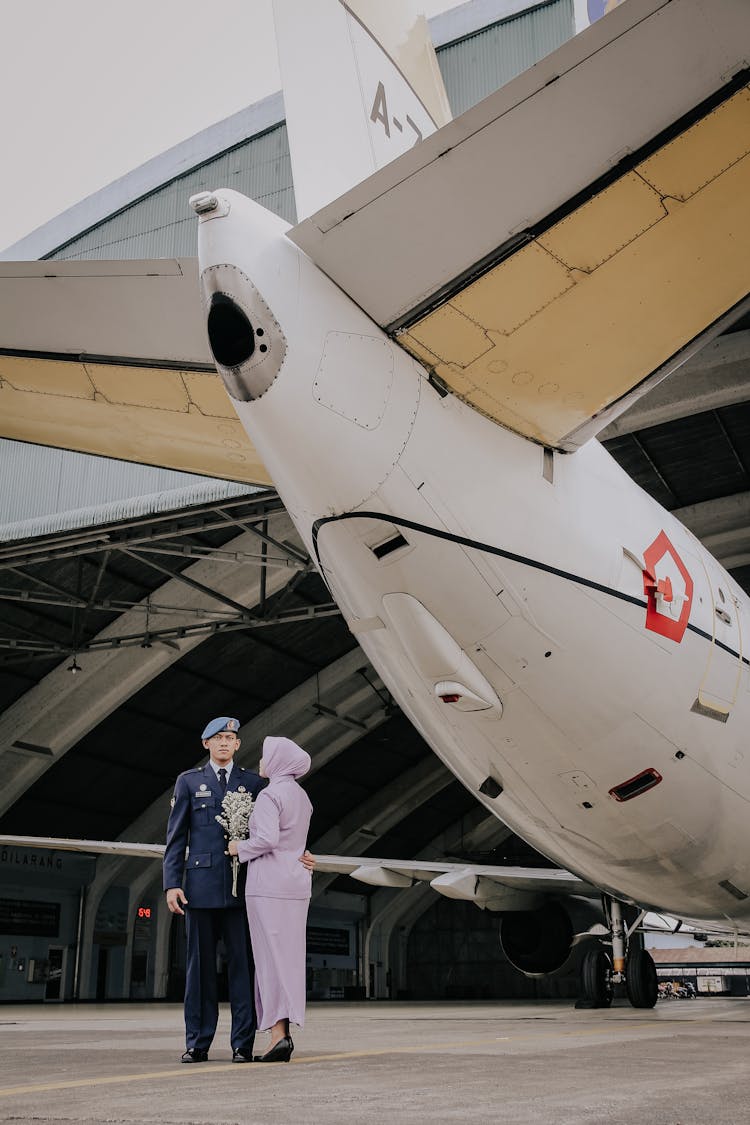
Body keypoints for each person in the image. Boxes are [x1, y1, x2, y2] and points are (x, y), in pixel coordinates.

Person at [163, 717, 313, 1063]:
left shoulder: (256, 783)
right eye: (217, 738)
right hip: (199, 889)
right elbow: (176, 838)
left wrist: (302, 853)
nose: (224, 743)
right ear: (206, 744)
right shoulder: (188, 782)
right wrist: (172, 883)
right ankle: (197, 1042)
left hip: (243, 889)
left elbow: (281, 826)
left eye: (230, 737)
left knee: (244, 969)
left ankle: (242, 1044)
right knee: (199, 970)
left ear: (238, 744)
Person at [229, 736, 313, 1063]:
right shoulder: (302, 797)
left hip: (267, 886)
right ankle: (285, 1032)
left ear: (278, 761)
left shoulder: (269, 795)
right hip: (296, 885)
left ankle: (278, 1034)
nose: (261, 761)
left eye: (266, 756)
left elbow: (266, 839)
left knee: (268, 961)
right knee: (288, 960)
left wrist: (239, 848)